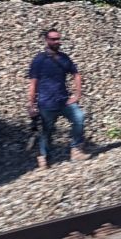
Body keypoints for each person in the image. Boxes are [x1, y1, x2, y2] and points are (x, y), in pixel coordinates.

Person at [25, 27, 92, 169]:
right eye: (54, 39)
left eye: (58, 39)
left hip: (64, 101)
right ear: (47, 40)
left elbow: (76, 74)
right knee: (47, 132)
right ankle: (44, 157)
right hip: (46, 103)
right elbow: (33, 83)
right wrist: (31, 105)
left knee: (79, 118)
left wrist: (78, 94)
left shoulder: (64, 57)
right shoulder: (39, 60)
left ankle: (76, 150)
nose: (57, 41)